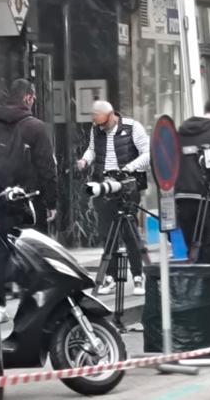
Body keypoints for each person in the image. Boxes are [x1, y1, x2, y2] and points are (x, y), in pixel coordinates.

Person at [0, 79, 58, 321]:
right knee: (35, 250)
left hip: (0, 197)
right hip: (29, 200)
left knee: (0, 249)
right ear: (26, 97)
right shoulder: (36, 127)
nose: (33, 102)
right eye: (33, 98)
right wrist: (52, 203)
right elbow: (47, 168)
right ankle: (33, 303)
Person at [77, 100, 150, 296]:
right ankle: (111, 276)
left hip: (126, 185)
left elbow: (148, 153)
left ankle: (138, 275)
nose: (99, 127)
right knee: (106, 233)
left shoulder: (133, 127)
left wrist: (129, 168)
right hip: (103, 185)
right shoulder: (96, 130)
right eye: (96, 123)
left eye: (102, 123)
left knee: (129, 232)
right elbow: (92, 149)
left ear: (111, 115)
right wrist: (85, 160)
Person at [176, 95, 210, 263]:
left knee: (191, 245)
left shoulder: (179, 133)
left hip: (182, 195)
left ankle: (195, 279)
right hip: (208, 197)